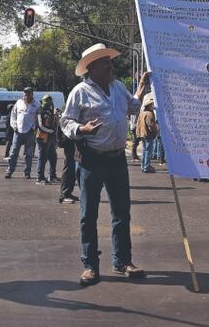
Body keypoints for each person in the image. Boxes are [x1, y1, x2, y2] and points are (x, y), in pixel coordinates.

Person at [60, 44, 151, 285]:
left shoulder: (118, 86)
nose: (111, 66)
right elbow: (66, 121)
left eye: (110, 61)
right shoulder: (79, 92)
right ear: (91, 68)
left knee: (122, 212)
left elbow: (132, 107)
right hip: (92, 159)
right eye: (105, 62)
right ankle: (90, 265)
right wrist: (82, 129)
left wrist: (142, 87)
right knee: (88, 215)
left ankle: (122, 261)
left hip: (117, 158)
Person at [5, 87, 39, 179]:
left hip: (30, 132)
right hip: (18, 131)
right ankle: (9, 171)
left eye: (28, 94)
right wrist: (14, 126)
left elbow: (39, 118)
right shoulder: (19, 103)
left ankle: (27, 172)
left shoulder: (37, 104)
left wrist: (35, 128)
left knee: (29, 154)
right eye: (25, 94)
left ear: (32, 94)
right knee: (13, 152)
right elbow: (13, 115)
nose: (26, 95)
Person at [35, 95, 59, 184]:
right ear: (43, 101)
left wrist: (55, 114)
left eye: (50, 100)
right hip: (42, 137)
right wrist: (50, 131)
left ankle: (52, 176)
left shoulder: (49, 110)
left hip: (50, 137)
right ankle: (40, 177)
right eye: (47, 100)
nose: (49, 102)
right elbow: (40, 125)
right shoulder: (40, 110)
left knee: (53, 157)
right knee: (43, 157)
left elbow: (53, 122)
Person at [57, 107, 79, 204]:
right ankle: (64, 194)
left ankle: (68, 193)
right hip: (70, 141)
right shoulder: (69, 116)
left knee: (72, 168)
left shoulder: (70, 114)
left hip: (72, 142)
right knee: (69, 168)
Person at [135, 95, 160, 174]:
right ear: (149, 105)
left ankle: (143, 166)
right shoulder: (149, 114)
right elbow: (151, 126)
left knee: (144, 150)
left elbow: (138, 123)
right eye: (152, 104)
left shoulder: (142, 113)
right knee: (148, 151)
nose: (153, 105)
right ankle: (146, 166)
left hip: (142, 134)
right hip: (148, 134)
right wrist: (156, 132)